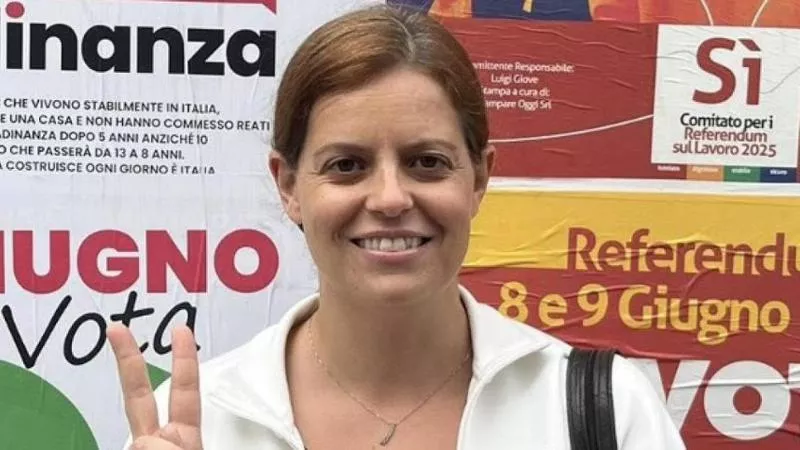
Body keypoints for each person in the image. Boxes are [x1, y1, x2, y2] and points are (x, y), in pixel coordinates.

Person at [107, 4, 686, 449]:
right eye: (347, 166)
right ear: (289, 186)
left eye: (426, 162)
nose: (389, 198)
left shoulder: (604, 410)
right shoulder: (198, 418)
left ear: (479, 178)